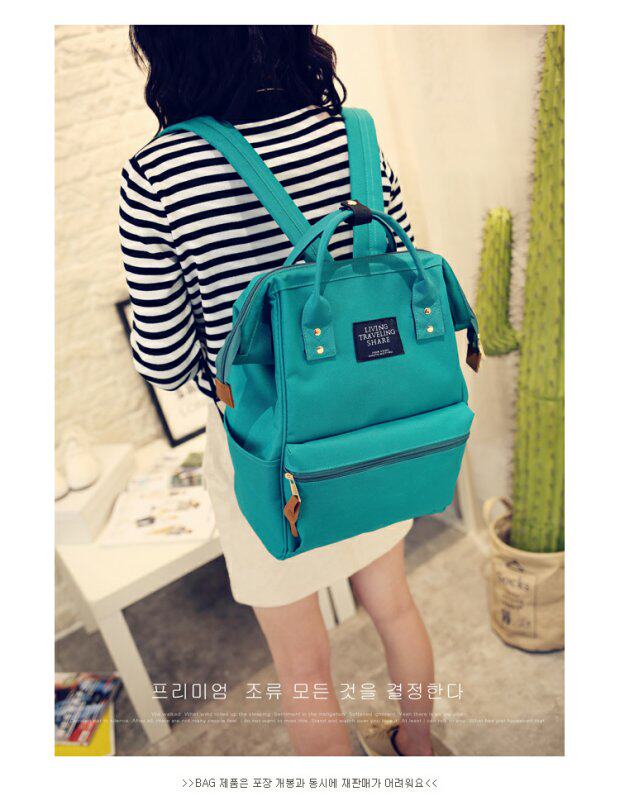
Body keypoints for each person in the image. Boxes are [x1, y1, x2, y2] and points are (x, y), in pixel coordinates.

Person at [121, 25, 443, 756]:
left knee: (303, 669)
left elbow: (166, 361)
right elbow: (402, 276)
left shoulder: (156, 174)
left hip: (263, 453)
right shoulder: (352, 135)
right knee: (396, 609)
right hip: (370, 425)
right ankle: (417, 750)